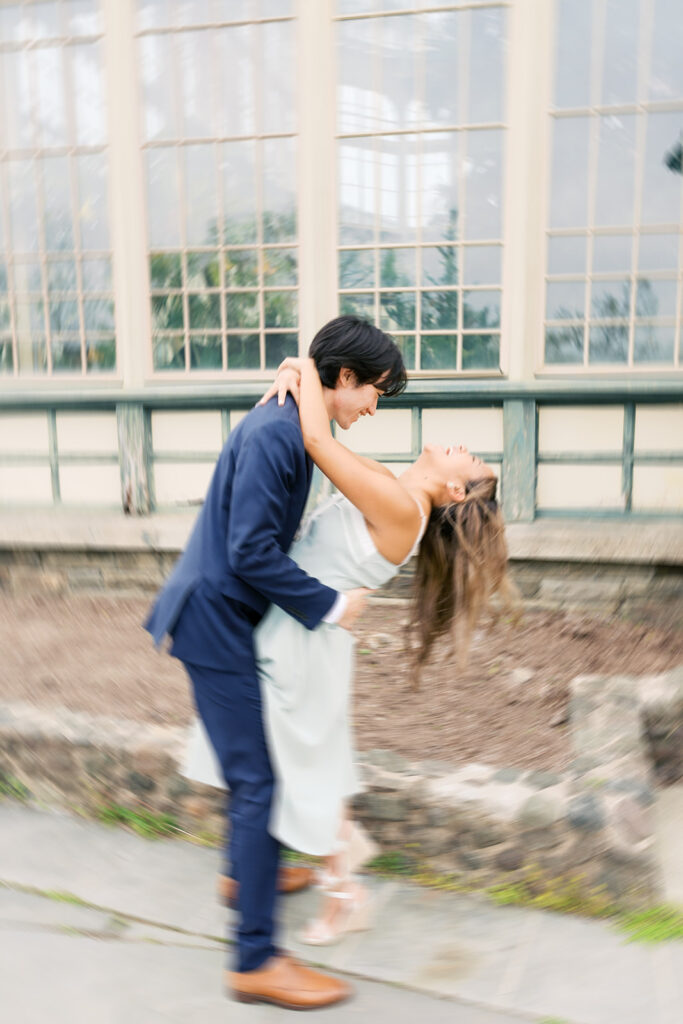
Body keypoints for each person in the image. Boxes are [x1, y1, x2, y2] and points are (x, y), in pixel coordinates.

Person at [183, 353, 514, 954]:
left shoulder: (403, 510)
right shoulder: (393, 486)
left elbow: (316, 439)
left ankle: (342, 893)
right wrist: (297, 378)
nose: (463, 448)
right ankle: (283, 871)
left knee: (300, 767)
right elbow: (322, 439)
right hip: (296, 630)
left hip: (306, 646)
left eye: (469, 459)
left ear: (455, 489)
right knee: (290, 761)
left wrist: (301, 367)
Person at [144, 315, 406, 1011]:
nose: (373, 409)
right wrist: (331, 606)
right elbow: (250, 551)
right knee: (259, 781)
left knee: (254, 769)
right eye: (374, 392)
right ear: (343, 377)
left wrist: (298, 368)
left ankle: (244, 876)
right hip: (212, 619)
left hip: (223, 617)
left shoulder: (296, 422)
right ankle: (255, 960)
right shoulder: (277, 434)